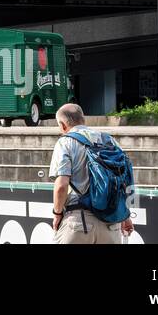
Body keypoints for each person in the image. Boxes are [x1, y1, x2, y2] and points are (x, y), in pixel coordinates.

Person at [50, 103, 134, 244]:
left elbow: (61, 186)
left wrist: (57, 214)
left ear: (63, 125)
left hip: (79, 223)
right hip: (111, 225)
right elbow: (125, 181)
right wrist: (126, 216)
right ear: (83, 120)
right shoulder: (110, 141)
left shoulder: (65, 142)